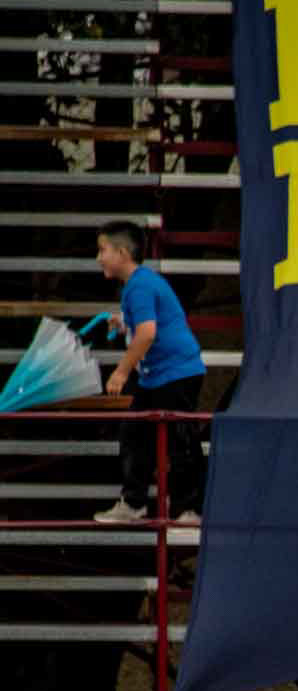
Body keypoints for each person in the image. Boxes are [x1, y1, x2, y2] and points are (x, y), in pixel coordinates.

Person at [91, 220, 208, 525]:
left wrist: (120, 372)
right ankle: (134, 503)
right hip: (158, 375)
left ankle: (191, 510)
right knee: (134, 433)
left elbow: (147, 333)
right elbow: (147, 325)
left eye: (102, 250)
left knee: (180, 440)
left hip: (176, 372)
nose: (99, 258)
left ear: (122, 253)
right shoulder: (139, 283)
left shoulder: (139, 285)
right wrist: (124, 323)